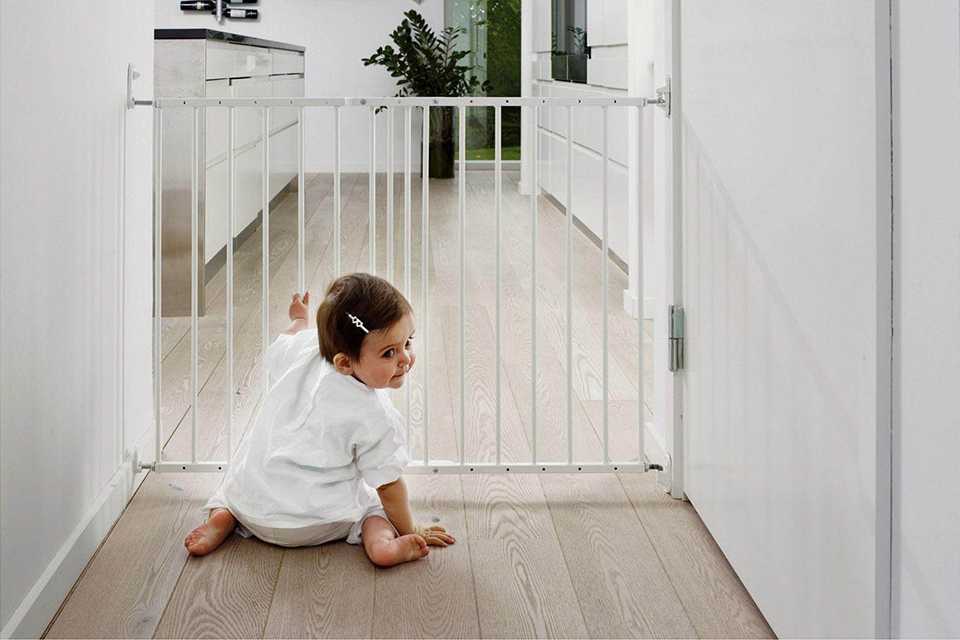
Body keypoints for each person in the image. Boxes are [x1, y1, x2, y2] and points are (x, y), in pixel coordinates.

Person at [184, 273, 454, 566]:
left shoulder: (306, 348)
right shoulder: (374, 415)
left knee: (234, 482)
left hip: (254, 507)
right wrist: (411, 528)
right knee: (374, 507)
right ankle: (382, 544)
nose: (405, 359)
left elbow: (286, 341)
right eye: (389, 353)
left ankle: (224, 516)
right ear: (344, 363)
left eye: (408, 342)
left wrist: (299, 318)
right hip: (318, 521)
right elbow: (388, 486)